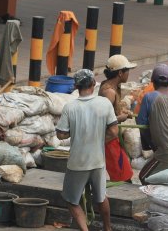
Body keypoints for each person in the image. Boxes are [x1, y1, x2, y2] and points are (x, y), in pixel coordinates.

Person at [56, 69, 117, 231]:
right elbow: (113, 132)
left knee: (71, 200)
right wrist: (98, 140)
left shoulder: (70, 107)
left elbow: (61, 134)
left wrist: (74, 132)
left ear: (76, 86)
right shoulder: (104, 103)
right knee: (101, 197)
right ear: (93, 83)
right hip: (98, 161)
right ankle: (108, 228)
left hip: (77, 162)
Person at [98, 54, 136, 182]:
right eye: (127, 71)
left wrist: (122, 111)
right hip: (108, 139)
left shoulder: (113, 86)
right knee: (122, 176)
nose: (128, 74)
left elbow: (111, 110)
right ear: (120, 73)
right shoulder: (109, 92)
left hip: (111, 136)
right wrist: (120, 118)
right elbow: (103, 119)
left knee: (123, 173)